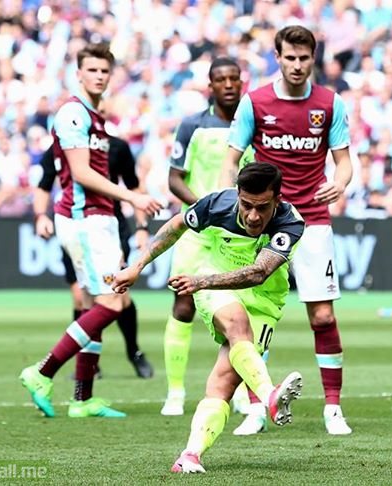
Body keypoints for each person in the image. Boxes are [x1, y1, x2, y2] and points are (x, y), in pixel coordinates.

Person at [112, 163, 304, 473]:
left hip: (264, 301)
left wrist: (204, 282)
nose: (254, 216)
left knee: (223, 384)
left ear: (278, 200)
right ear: (238, 195)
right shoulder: (217, 204)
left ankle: (190, 455)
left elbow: (259, 273)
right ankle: (269, 396)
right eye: (247, 205)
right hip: (215, 284)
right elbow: (176, 226)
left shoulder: (290, 222)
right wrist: (137, 266)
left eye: (263, 208)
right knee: (236, 324)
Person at [221, 25, 353, 435]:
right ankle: (257, 407)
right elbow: (231, 159)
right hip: (264, 224)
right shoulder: (255, 102)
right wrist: (233, 203)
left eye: (304, 58)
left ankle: (333, 408)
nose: (297, 65)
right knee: (253, 320)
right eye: (290, 58)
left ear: (313, 58)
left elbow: (344, 160)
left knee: (322, 315)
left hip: (312, 219)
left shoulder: (329, 104)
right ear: (277, 58)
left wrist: (342, 180)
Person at [19, 42, 162, 418]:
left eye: (104, 70)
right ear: (78, 73)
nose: (99, 76)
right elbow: (81, 173)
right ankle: (42, 371)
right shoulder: (72, 113)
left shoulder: (95, 116)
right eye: (92, 70)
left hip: (99, 220)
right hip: (84, 219)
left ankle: (82, 399)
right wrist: (133, 196)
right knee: (113, 302)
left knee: (101, 302)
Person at [161, 57, 254, 416]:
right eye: (221, 79)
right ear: (210, 85)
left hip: (237, 235)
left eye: (234, 78)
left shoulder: (252, 126)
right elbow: (174, 178)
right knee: (183, 305)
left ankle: (242, 393)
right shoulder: (192, 126)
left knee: (238, 313)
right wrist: (206, 208)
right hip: (197, 231)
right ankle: (175, 392)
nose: (229, 84)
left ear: (241, 82)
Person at [33, 132, 154, 379]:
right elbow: (44, 183)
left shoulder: (117, 147)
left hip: (109, 227)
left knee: (117, 295)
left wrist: (142, 227)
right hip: (74, 226)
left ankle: (134, 351)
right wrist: (40, 216)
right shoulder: (62, 145)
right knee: (81, 298)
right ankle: (88, 368)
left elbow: (134, 186)